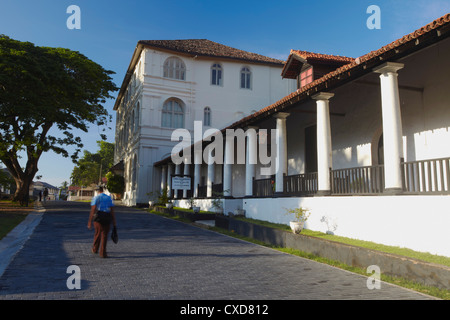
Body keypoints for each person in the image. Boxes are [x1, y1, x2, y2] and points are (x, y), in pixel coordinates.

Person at [87, 186, 116, 258]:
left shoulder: (96, 198)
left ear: (97, 191)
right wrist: (114, 221)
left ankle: (95, 249)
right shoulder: (109, 198)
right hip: (107, 216)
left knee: (97, 233)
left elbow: (93, 209)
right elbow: (112, 210)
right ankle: (103, 252)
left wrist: (90, 221)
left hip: (98, 217)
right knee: (105, 235)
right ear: (102, 190)